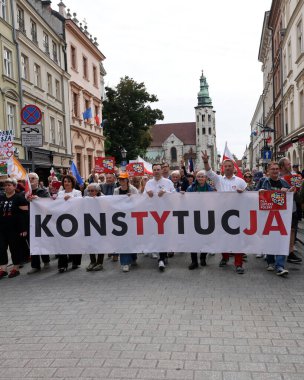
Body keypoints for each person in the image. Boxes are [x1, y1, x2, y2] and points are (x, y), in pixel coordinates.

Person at [202, 151, 247, 274]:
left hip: (237, 214)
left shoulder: (241, 181)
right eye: (225, 166)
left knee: (237, 239)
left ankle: (238, 263)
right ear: (222, 168)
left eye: (229, 166)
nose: (227, 168)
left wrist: (242, 194)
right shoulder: (218, 180)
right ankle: (225, 257)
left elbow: (248, 197)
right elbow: (209, 172)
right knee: (223, 237)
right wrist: (206, 162)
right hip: (222, 214)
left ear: (233, 168)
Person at [258, 161, 295, 276]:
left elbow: (290, 198)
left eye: (276, 169)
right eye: (272, 169)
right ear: (268, 171)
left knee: (281, 240)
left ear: (279, 170)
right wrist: (261, 192)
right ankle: (270, 261)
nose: (274, 171)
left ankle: (280, 266)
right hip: (268, 216)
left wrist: (289, 191)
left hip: (281, 217)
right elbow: (254, 194)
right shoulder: (263, 181)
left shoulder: (284, 182)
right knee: (270, 239)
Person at [145, 163, 175, 271]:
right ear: (152, 171)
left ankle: (162, 257)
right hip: (153, 214)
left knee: (164, 235)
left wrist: (165, 192)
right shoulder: (148, 183)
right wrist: (146, 193)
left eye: (158, 169)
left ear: (162, 171)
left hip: (165, 214)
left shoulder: (168, 182)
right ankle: (162, 256)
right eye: (155, 169)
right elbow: (141, 198)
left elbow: (174, 195)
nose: (157, 171)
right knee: (157, 235)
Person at [0, 178, 28, 279]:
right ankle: (3, 269)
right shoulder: (1, 198)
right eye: (5, 185)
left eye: (9, 185)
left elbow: (25, 215)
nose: (7, 187)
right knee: (1, 248)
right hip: (2, 229)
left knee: (14, 248)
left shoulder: (20, 198)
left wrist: (24, 229)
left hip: (15, 229)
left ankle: (15, 268)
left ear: (14, 186)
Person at [186, 170, 214, 269]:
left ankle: (203, 257)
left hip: (206, 216)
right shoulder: (190, 188)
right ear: (196, 178)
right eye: (199, 177)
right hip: (194, 216)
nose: (200, 178)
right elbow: (186, 201)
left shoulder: (210, 189)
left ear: (206, 178)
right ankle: (194, 261)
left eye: (202, 176)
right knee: (193, 239)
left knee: (205, 238)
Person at [56, 175, 82, 273]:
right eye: (65, 181)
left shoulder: (77, 192)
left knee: (74, 241)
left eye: (69, 181)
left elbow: (80, 203)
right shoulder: (60, 193)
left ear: (72, 183)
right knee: (62, 242)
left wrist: (70, 198)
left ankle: (75, 262)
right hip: (62, 220)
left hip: (75, 219)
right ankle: (62, 264)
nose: (66, 183)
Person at [278, 157, 302, 264]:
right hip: (280, 209)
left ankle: (290, 252)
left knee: (292, 229)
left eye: (290, 163)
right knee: (280, 230)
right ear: (282, 166)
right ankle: (277, 251)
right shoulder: (277, 177)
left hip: (292, 207)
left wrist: (299, 188)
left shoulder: (294, 177)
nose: (290, 165)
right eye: (288, 164)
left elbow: (299, 193)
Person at [26, 173, 51, 274]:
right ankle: (35, 265)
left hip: (41, 221)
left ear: (37, 180)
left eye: (33, 178)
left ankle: (46, 260)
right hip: (29, 221)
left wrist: (38, 199)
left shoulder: (43, 191)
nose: (31, 180)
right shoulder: (24, 193)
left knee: (42, 241)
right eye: (29, 178)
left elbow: (48, 203)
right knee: (33, 244)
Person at [114, 172, 138, 272]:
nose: (121, 181)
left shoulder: (133, 189)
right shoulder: (116, 190)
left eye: (123, 179)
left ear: (127, 180)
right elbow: (113, 202)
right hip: (120, 219)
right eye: (120, 179)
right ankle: (124, 263)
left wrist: (132, 197)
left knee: (131, 239)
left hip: (132, 218)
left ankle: (133, 257)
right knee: (123, 240)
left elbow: (139, 202)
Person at [85, 183, 105, 272]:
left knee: (100, 243)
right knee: (90, 243)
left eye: (92, 191)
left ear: (97, 191)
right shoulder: (86, 199)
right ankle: (92, 261)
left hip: (101, 223)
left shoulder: (104, 198)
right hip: (89, 222)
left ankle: (100, 262)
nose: (90, 192)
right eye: (88, 191)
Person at [100, 173, 118, 261]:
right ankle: (110, 250)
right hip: (105, 213)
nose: (108, 179)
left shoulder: (117, 186)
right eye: (107, 178)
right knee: (107, 234)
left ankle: (116, 253)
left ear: (114, 179)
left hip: (115, 213)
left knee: (115, 234)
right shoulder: (102, 186)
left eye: (110, 178)